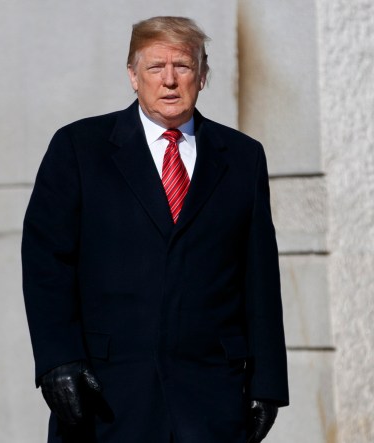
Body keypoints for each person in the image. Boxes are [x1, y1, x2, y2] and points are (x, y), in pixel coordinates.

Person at [22, 16, 289, 443]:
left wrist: (268, 382)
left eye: (182, 67)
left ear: (202, 75)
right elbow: (45, 262)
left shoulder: (242, 157)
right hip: (107, 393)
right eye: (154, 68)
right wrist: (57, 360)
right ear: (132, 75)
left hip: (211, 396)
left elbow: (259, 275)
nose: (169, 80)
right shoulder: (78, 148)